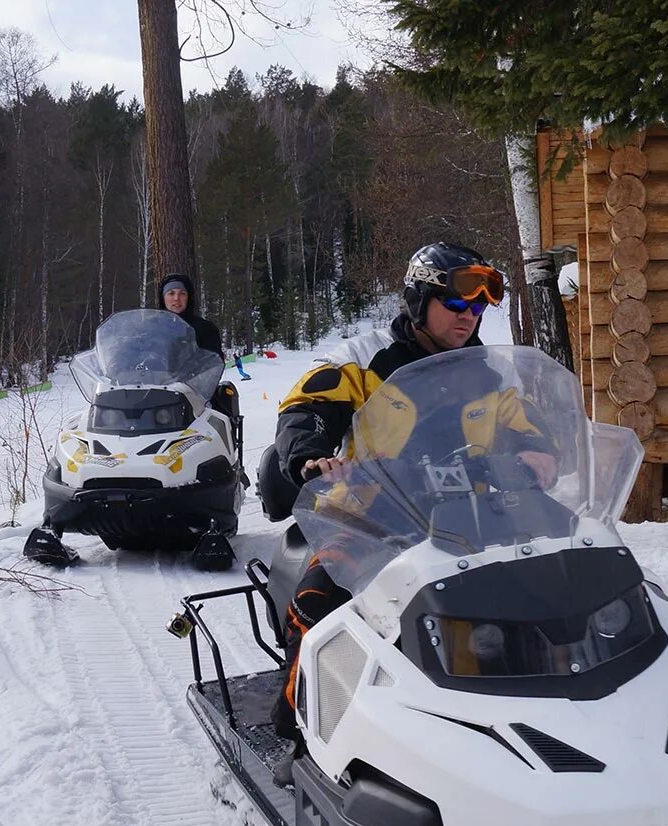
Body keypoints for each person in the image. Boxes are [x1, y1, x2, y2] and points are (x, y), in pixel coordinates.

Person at [265, 242, 557, 780]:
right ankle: (301, 734)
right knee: (319, 606)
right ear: (420, 302)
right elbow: (308, 402)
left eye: (477, 309)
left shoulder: (490, 375)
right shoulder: (365, 358)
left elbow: (526, 421)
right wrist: (309, 451)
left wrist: (539, 448)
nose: (469, 317)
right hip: (371, 519)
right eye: (455, 305)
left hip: (474, 519)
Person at [157, 274, 223, 359]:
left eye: (182, 293)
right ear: (163, 298)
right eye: (171, 293)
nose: (176, 298)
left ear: (188, 297)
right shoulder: (151, 328)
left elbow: (214, 362)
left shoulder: (205, 329)